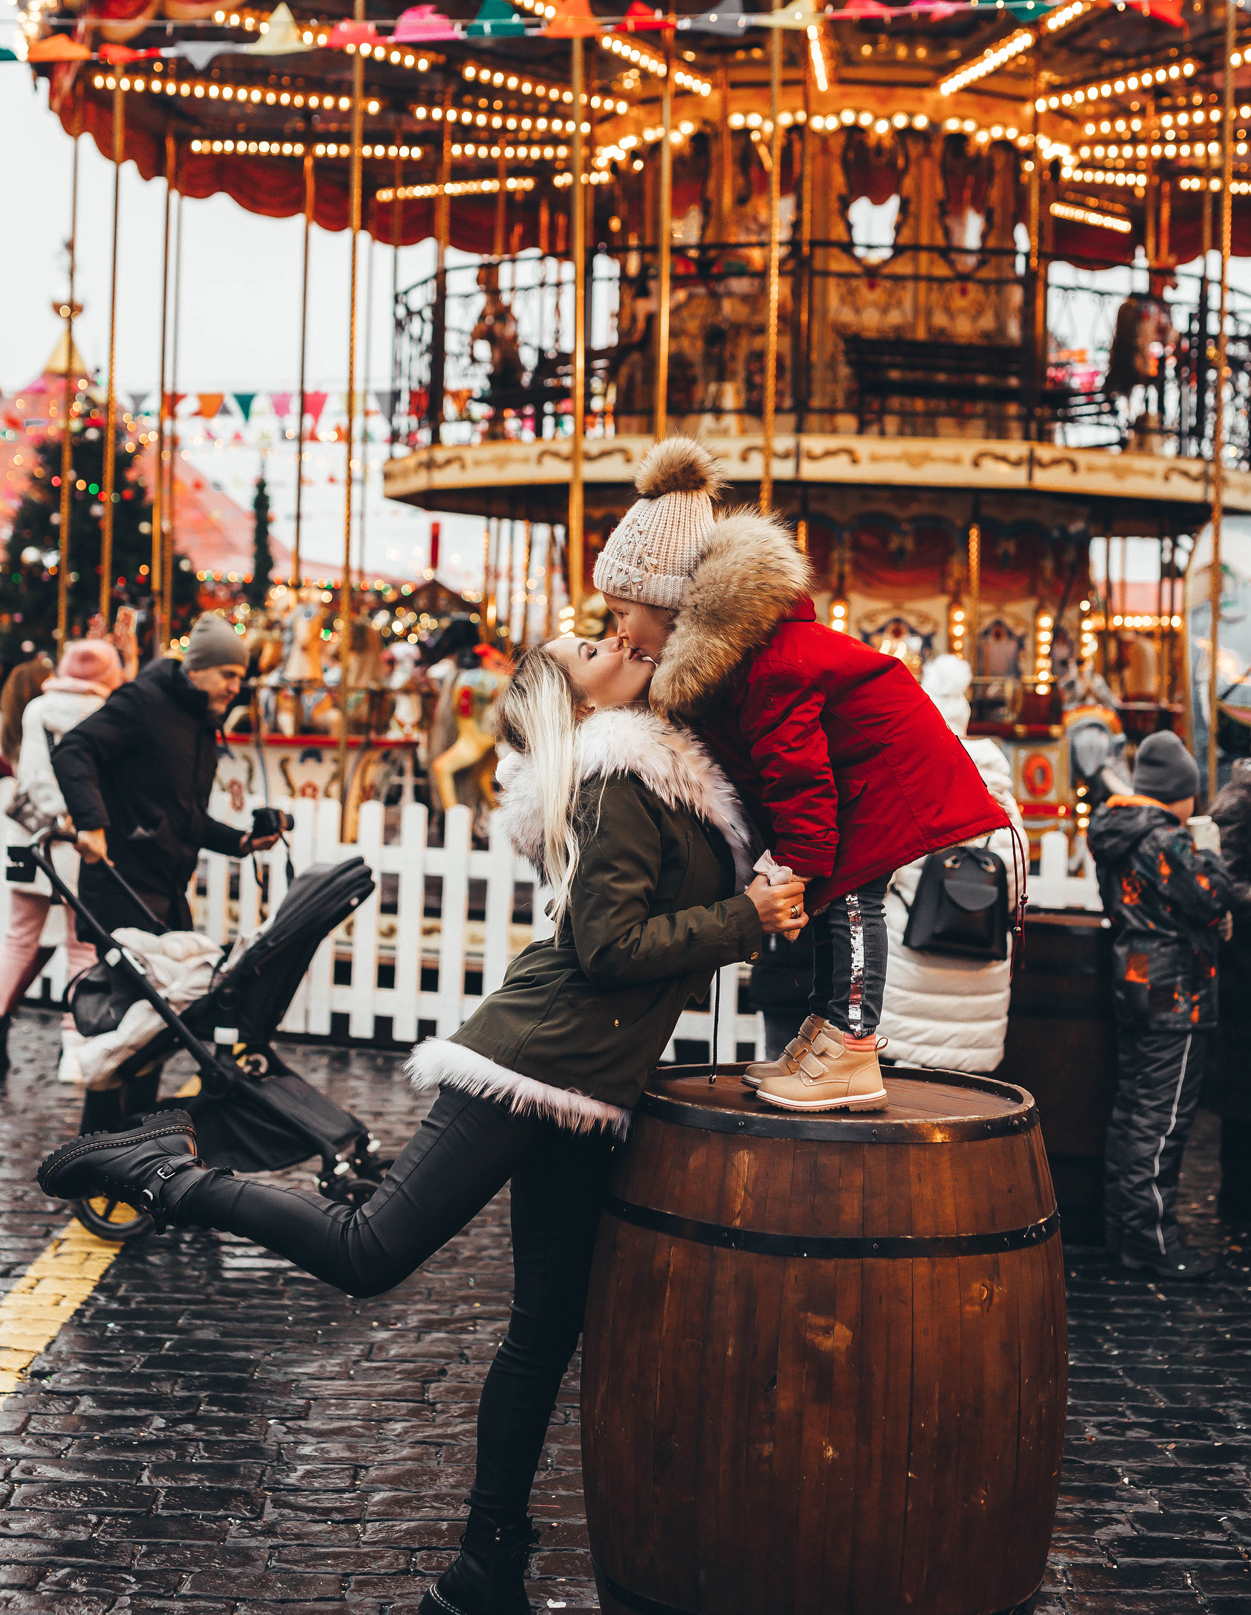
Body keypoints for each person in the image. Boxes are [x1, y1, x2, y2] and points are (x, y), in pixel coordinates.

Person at [37, 633, 805, 1615]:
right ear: (582, 698)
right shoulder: (616, 777)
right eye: (593, 646)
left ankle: (486, 1566)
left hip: (593, 1086)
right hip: (529, 1058)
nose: (611, 638)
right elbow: (609, 947)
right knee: (372, 1248)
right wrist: (745, 913)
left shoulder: (667, 768)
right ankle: (167, 1174)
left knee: (544, 1328)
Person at [592, 437, 1009, 1113]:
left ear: (667, 608)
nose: (617, 633)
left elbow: (798, 777)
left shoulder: (769, 669)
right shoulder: (738, 665)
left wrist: (792, 863)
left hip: (883, 784)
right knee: (833, 906)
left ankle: (850, 1045)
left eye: (621, 614)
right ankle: (823, 1033)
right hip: (861, 781)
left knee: (850, 900)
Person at [1089, 730, 1235, 1280]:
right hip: (1175, 991)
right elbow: (1212, 894)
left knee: (1134, 1113)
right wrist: (1212, 852)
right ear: (1182, 791)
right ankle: (1154, 1241)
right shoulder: (1164, 839)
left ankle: (1123, 1233)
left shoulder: (1120, 831)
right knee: (1163, 1119)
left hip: (1138, 981)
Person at [51, 612, 278, 942]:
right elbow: (73, 748)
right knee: (130, 990)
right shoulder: (143, 702)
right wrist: (91, 823)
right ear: (196, 668)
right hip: (122, 888)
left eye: (239, 678)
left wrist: (241, 842)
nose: (234, 687)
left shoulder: (200, 723)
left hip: (168, 898)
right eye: (227, 675)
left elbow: (183, 816)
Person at [879, 654, 1027, 1075]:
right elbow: (1016, 890)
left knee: (902, 1106)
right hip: (979, 989)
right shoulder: (1004, 804)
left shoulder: (909, 789)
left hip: (912, 979)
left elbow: (880, 884)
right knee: (959, 1107)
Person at [0, 641, 124, 1073]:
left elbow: (30, 775)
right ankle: (74, 1048)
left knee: (17, 940)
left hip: (31, 834)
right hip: (81, 837)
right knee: (81, 947)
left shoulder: (36, 709)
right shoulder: (109, 713)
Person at [1207, 759, 1251, 1227]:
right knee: (1242, 1096)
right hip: (1242, 972)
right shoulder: (1239, 803)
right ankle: (1236, 1205)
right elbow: (1227, 883)